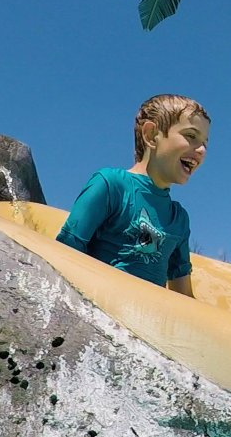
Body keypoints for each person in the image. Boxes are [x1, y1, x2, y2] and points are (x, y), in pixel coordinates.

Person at [56, 94, 209, 297]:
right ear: (152, 134)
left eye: (205, 142)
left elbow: (185, 298)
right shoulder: (111, 186)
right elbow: (64, 255)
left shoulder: (178, 218)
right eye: (191, 136)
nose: (201, 150)